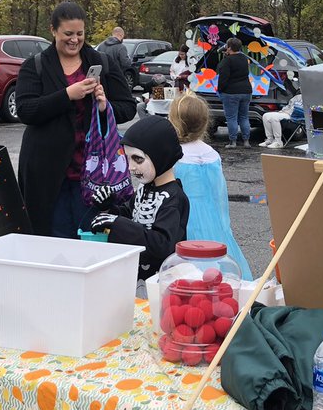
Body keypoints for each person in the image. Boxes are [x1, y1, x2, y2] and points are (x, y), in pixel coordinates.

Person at [16, 2, 137, 238]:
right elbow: (26, 110)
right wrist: (67, 95)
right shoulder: (36, 65)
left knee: (91, 239)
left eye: (79, 34)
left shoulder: (101, 61)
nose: (74, 40)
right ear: (53, 30)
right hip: (47, 176)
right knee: (52, 241)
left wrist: (104, 107)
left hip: (94, 175)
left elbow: (128, 108)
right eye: (68, 34)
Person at [90, 115, 190, 281]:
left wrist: (117, 223)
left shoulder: (173, 198)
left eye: (138, 159)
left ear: (161, 156)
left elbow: (162, 244)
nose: (130, 167)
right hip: (133, 275)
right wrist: (108, 208)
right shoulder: (145, 188)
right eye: (128, 159)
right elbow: (131, 214)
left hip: (160, 280)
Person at [168, 91, 252, 278]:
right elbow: (219, 193)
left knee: (190, 269)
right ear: (204, 123)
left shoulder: (175, 156)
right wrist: (224, 223)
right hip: (214, 218)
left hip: (185, 219)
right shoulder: (212, 154)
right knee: (219, 268)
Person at [216, 37, 252, 149]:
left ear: (229, 48)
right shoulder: (244, 59)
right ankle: (246, 141)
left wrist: (220, 90)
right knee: (244, 117)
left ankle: (233, 142)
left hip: (231, 92)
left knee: (231, 118)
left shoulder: (227, 61)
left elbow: (223, 78)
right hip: (246, 91)